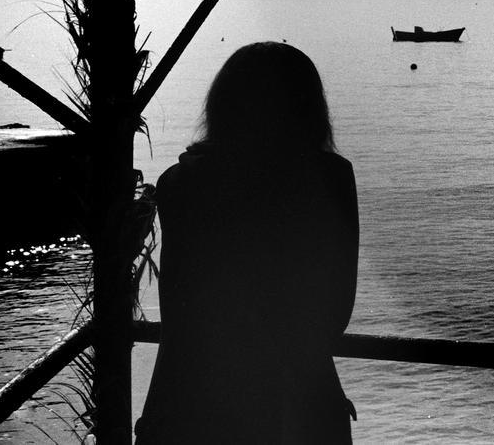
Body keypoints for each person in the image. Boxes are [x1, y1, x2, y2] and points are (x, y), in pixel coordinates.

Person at [137, 42, 359, 444]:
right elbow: (335, 314)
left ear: (222, 105)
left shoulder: (180, 183)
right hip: (300, 403)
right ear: (308, 106)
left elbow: (179, 315)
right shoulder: (330, 179)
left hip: (195, 403)